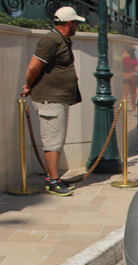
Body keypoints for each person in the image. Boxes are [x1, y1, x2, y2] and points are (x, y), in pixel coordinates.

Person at [21, 6, 85, 196]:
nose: (77, 27)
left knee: (57, 139)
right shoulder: (50, 40)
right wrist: (28, 86)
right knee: (53, 140)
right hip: (50, 99)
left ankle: (54, 177)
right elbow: (33, 68)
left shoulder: (61, 40)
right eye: (75, 23)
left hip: (59, 99)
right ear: (68, 23)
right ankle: (53, 181)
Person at [122, 46, 138, 113]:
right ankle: (134, 108)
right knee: (133, 92)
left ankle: (123, 107)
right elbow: (137, 70)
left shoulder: (123, 59)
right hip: (132, 75)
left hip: (125, 75)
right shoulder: (134, 60)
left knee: (125, 92)